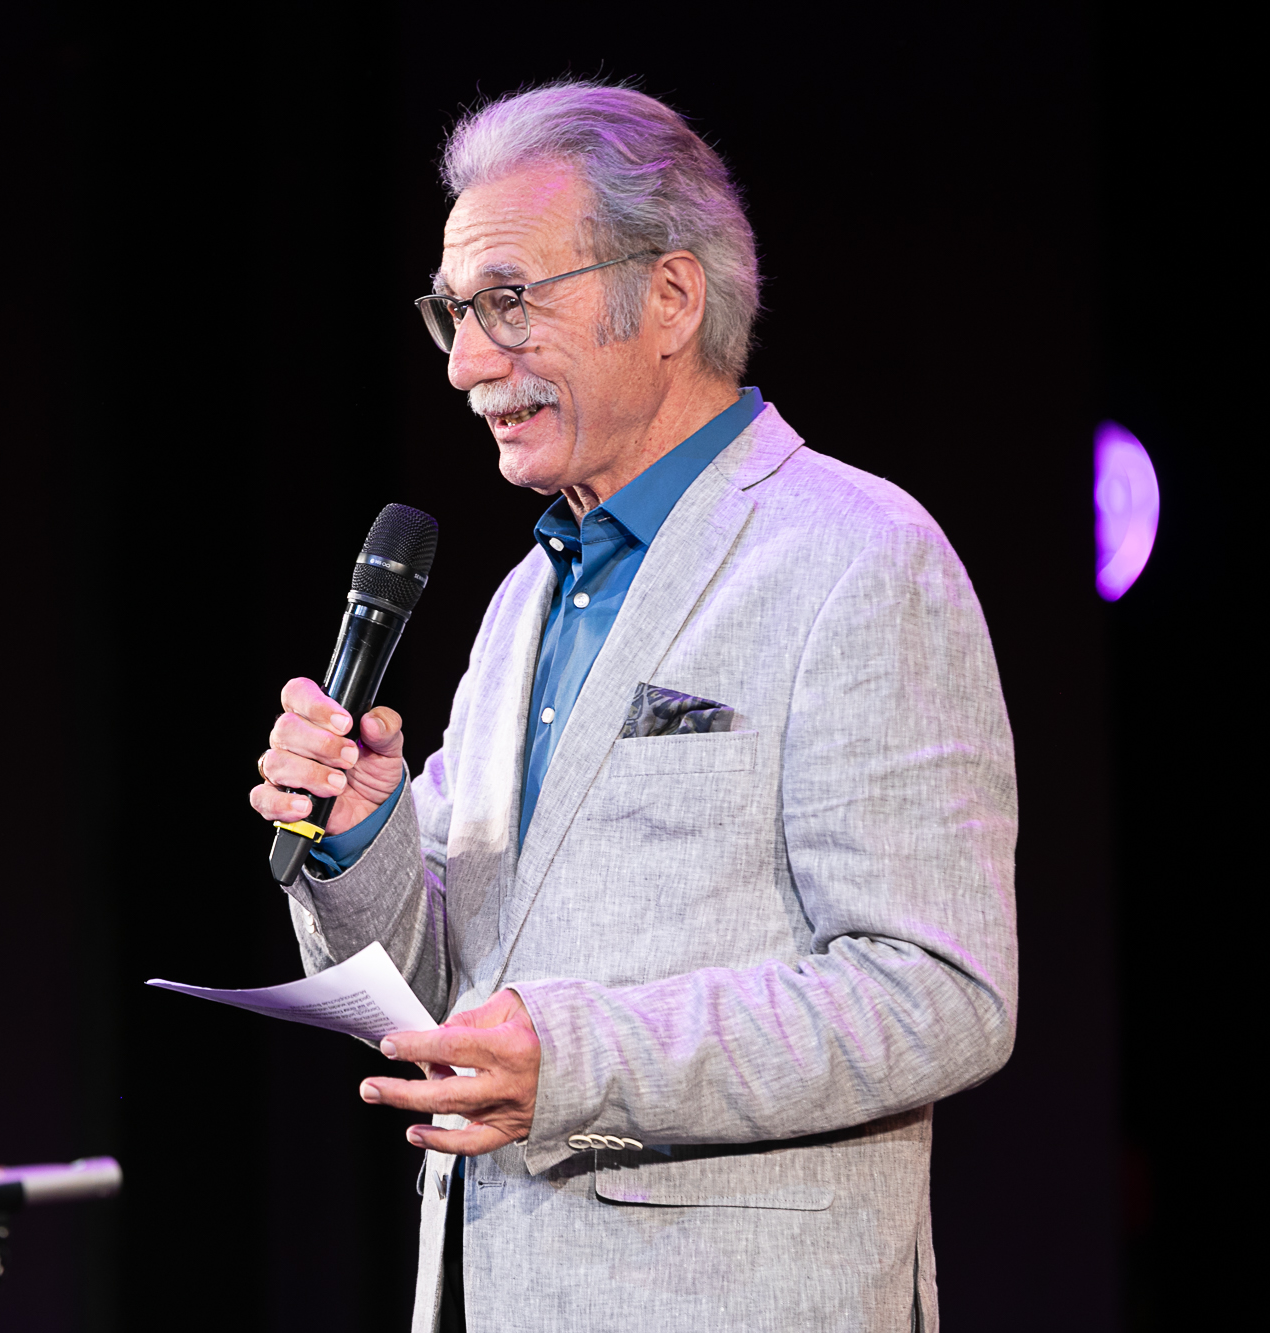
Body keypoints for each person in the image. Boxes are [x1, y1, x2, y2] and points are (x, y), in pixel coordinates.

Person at [249, 80, 1018, 1333]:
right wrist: (360, 838)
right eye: (452, 312)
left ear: (668, 298)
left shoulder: (855, 558)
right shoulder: (523, 600)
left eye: (507, 302)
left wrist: (578, 1061)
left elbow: (937, 990)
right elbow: (452, 994)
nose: (464, 363)